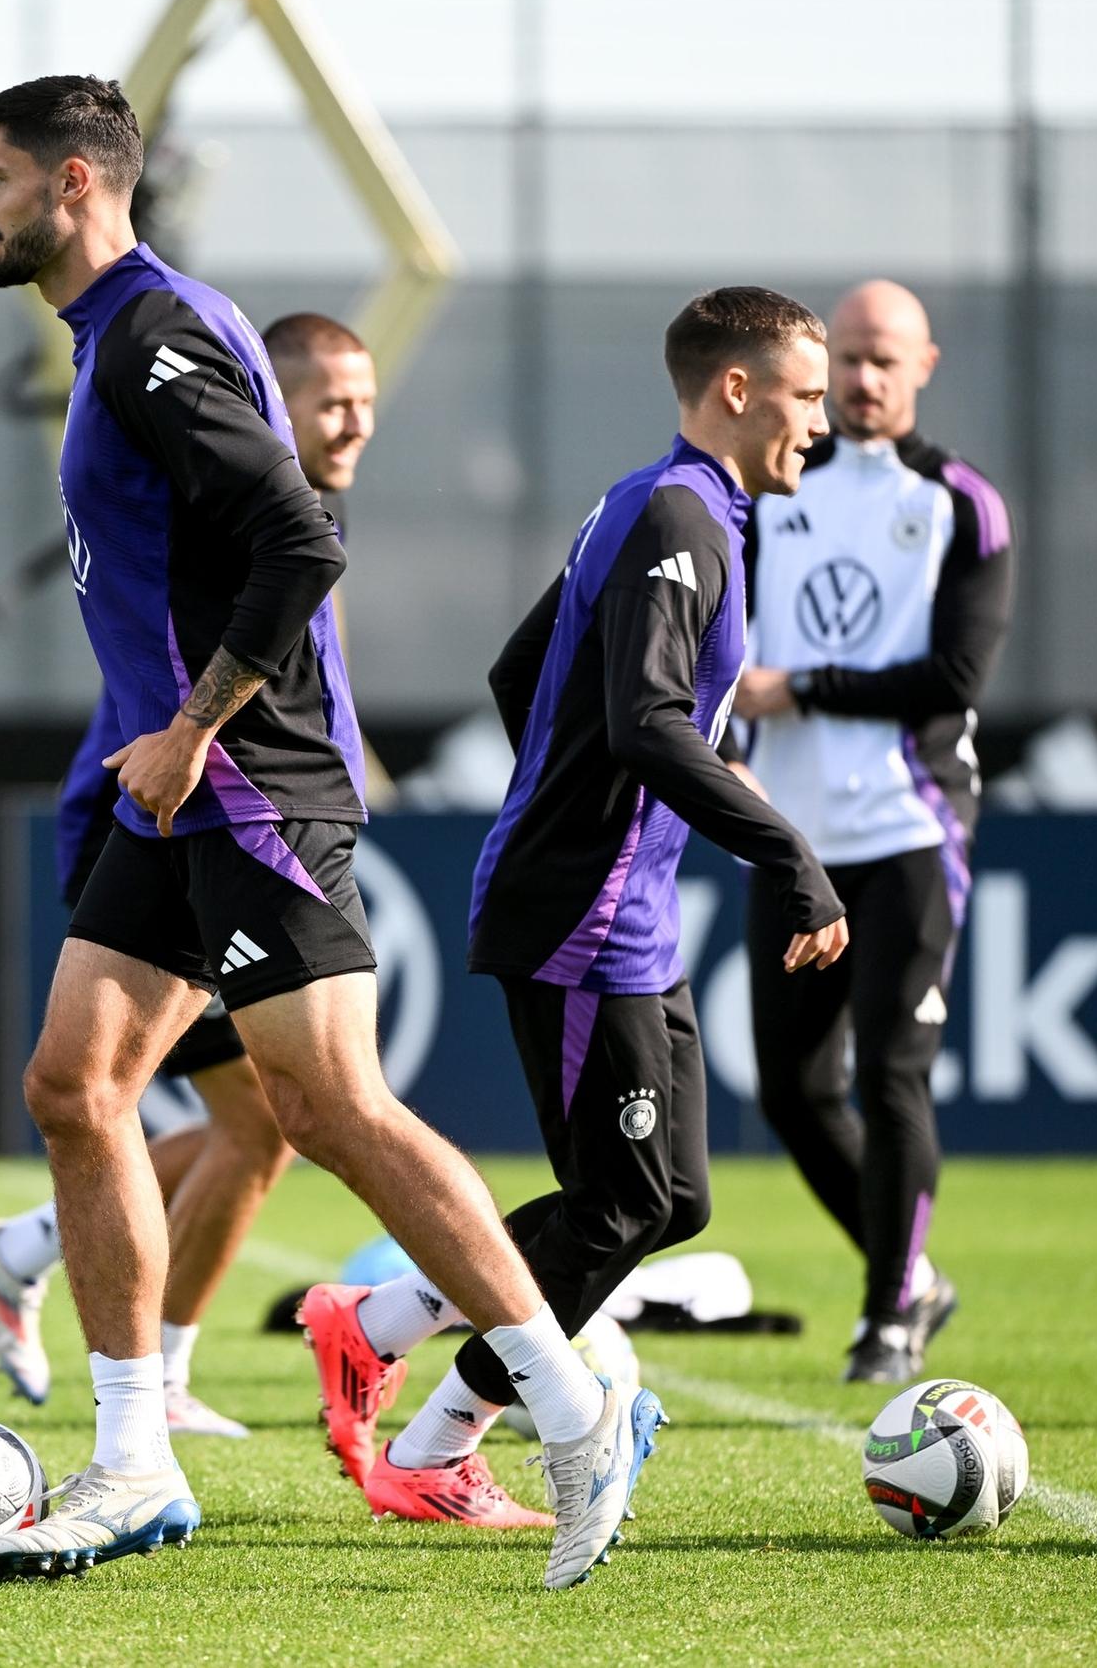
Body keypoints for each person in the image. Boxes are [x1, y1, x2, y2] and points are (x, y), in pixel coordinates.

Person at [0, 74, 654, 1591]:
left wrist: (194, 725)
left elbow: (300, 538)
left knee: (327, 1107)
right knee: (75, 1087)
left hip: (247, 780)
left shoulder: (151, 333)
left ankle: (567, 1398)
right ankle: (136, 1458)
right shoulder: (107, 339)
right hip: (178, 789)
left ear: (80, 182)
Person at [304, 287, 850, 1522]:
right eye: (807, 396)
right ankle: (436, 1447)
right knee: (619, 1204)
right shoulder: (680, 516)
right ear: (736, 389)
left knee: (673, 1199)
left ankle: (376, 1322)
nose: (819, 422)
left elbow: (527, 676)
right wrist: (785, 854)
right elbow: (650, 720)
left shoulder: (667, 505)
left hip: (623, 909)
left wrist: (582, 791)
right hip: (579, 917)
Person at [0, 314, 382, 1442]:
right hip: (145, 831)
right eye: (331, 399)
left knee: (238, 1118)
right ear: (268, 403)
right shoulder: (235, 507)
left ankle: (31, 1256)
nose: (356, 421)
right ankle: (157, 1371)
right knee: (255, 1124)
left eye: (367, 400)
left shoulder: (298, 514)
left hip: (205, 819)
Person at [730, 279, 1015, 1382]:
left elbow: (953, 677)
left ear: (923, 365)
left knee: (892, 1075)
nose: (860, 380)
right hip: (789, 834)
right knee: (796, 1091)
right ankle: (912, 1271)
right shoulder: (765, 488)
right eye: (845, 358)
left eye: (882, 360)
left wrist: (798, 688)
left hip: (907, 826)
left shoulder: (960, 502)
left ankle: (887, 1314)